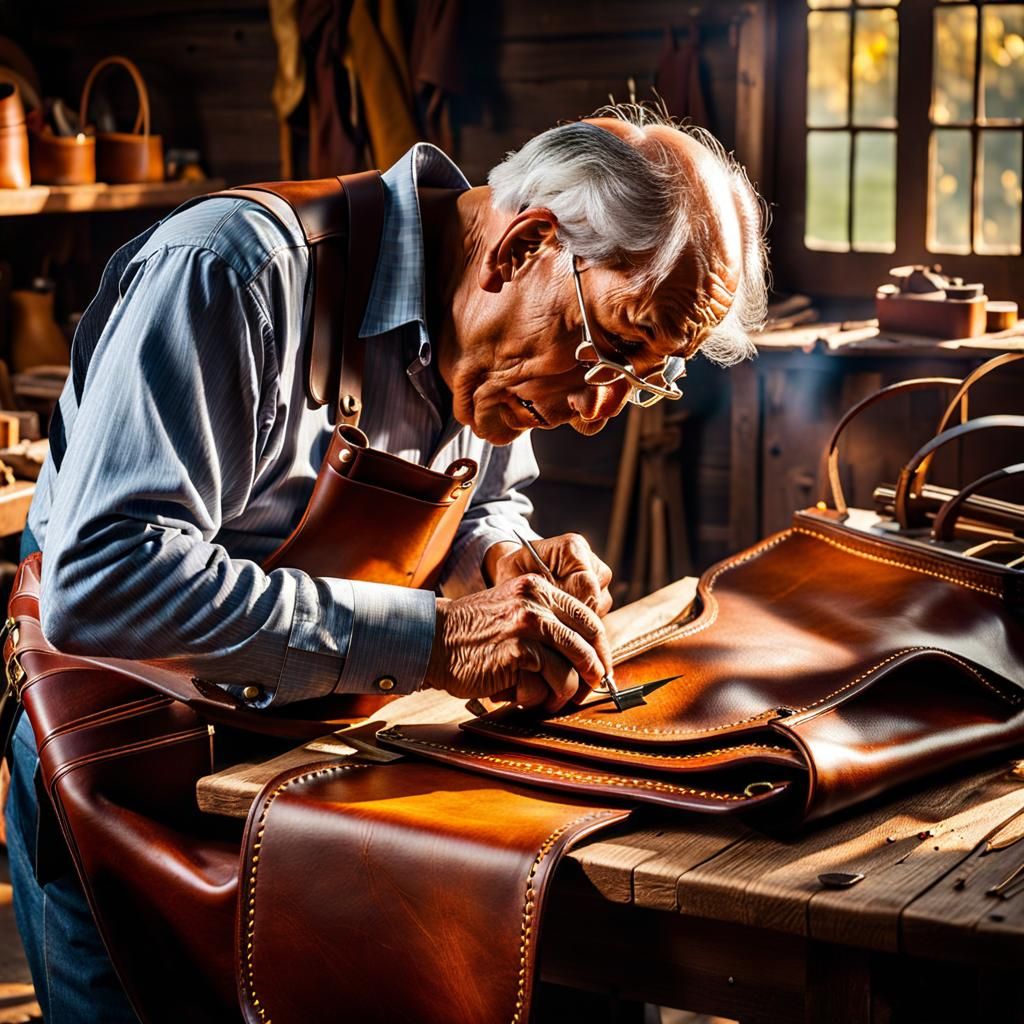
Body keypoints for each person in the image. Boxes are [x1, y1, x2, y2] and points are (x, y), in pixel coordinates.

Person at [6, 102, 767, 1020]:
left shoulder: (484, 345)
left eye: (647, 378)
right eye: (614, 344)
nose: (602, 412)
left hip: (303, 766)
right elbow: (104, 580)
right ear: (522, 246)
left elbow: (487, 501)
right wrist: (437, 637)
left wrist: (506, 564)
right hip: (129, 758)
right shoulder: (231, 274)